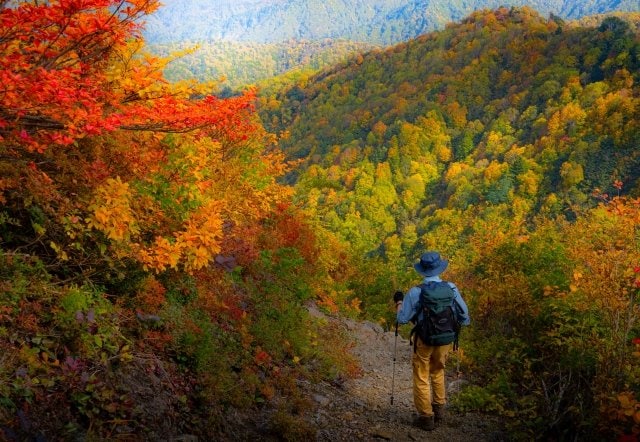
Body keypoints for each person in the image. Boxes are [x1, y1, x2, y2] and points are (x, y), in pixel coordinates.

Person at [394, 251, 470, 431]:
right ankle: (440, 409)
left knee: (421, 376)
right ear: (439, 269)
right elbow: (465, 316)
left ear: (422, 271)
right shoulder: (451, 288)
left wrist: (398, 303)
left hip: (424, 340)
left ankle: (426, 418)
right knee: (438, 372)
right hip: (445, 339)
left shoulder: (415, 292)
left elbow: (402, 319)